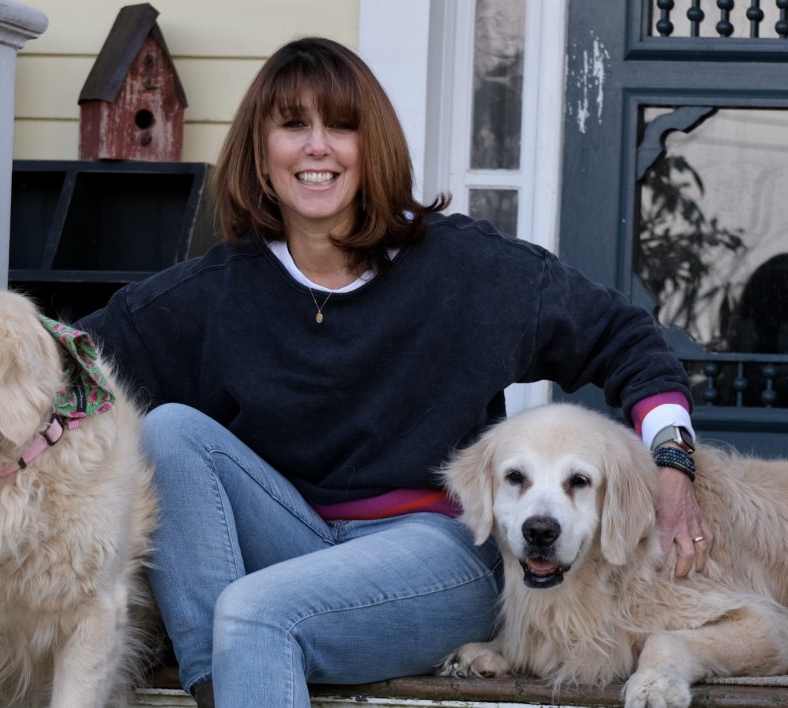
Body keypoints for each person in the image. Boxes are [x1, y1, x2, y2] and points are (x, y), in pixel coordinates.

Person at [78, 36, 710, 708]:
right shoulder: (218, 291)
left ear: (370, 147)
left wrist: (672, 462)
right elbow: (72, 362)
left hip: (436, 550)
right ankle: (222, 681)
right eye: (293, 125)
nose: (317, 147)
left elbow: (625, 337)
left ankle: (242, 660)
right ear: (261, 153)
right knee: (170, 432)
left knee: (257, 611)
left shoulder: (465, 269)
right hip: (293, 541)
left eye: (341, 126)